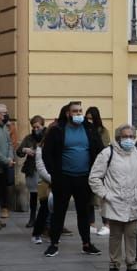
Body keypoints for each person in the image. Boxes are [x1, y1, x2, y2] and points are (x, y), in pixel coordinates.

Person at [40, 100, 104, 257]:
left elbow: (99, 150)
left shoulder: (89, 129)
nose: (78, 114)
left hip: (84, 178)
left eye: (80, 111)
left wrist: (97, 172)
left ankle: (86, 244)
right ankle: (54, 244)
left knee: (84, 212)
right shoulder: (58, 130)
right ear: (68, 113)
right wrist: (54, 174)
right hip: (63, 178)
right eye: (75, 111)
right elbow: (47, 153)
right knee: (59, 212)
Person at [88, 123, 137, 271]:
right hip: (114, 201)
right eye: (125, 136)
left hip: (135, 201)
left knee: (132, 235)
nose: (129, 139)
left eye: (131, 136)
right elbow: (94, 177)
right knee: (115, 236)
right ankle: (114, 265)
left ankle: (132, 265)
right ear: (118, 138)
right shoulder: (107, 153)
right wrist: (105, 195)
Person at [19, 116, 50, 240]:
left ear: (43, 125)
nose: (36, 129)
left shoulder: (48, 136)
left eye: (38, 127)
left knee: (45, 197)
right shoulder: (29, 138)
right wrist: (25, 150)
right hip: (32, 169)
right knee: (33, 195)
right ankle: (32, 218)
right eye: (34, 127)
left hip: (45, 169)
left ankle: (45, 222)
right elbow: (19, 151)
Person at [85, 107, 111, 240]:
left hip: (100, 166)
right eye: (87, 118)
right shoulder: (84, 129)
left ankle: (107, 224)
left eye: (91, 118)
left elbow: (105, 148)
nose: (89, 120)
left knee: (102, 196)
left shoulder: (103, 131)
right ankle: (91, 223)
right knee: (89, 197)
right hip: (87, 166)